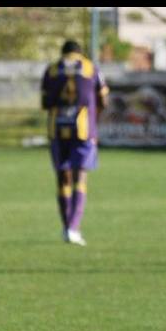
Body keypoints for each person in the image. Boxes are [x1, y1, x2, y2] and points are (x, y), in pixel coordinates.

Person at [41, 40, 109, 246]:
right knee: (80, 176)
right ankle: (74, 227)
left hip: (57, 128)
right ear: (79, 53)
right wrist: (93, 118)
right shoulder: (90, 67)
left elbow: (45, 103)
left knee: (63, 177)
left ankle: (66, 228)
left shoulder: (52, 69)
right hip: (83, 130)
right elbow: (104, 99)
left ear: (63, 53)